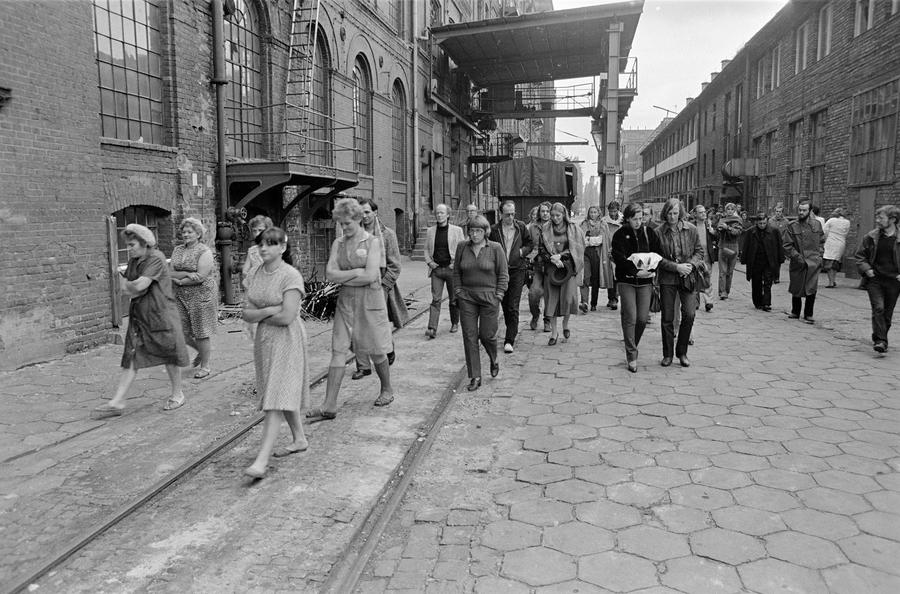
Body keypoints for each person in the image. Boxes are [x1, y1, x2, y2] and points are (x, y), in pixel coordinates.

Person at [307, 198, 395, 421]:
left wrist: (347, 276)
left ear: (358, 219)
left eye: (347, 223)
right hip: (346, 303)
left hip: (370, 301)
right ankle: (329, 405)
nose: (344, 227)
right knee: (338, 351)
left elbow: (371, 275)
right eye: (341, 223)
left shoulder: (373, 242)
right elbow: (330, 274)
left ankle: (387, 389)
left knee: (376, 349)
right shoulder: (338, 243)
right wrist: (356, 273)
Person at [93, 224, 189, 418]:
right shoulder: (134, 260)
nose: (129, 248)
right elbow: (131, 286)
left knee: (169, 355)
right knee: (131, 356)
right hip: (140, 316)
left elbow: (138, 286)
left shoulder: (155, 258)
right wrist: (128, 285)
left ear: (145, 244)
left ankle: (178, 394)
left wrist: (126, 284)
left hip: (161, 316)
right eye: (127, 245)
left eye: (132, 245)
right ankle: (117, 402)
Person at [241, 227, 310, 479]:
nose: (264, 248)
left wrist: (260, 314)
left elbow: (287, 317)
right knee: (279, 390)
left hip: (287, 339)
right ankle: (299, 438)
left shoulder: (290, 276)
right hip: (264, 340)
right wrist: (269, 310)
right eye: (261, 244)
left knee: (275, 398)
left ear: (282, 247)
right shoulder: (255, 273)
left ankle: (261, 461)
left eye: (270, 244)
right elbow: (246, 313)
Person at [352, 197, 407, 379]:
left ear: (375, 212)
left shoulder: (387, 235)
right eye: (361, 213)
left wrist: (383, 286)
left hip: (379, 285)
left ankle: (387, 348)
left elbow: (395, 265)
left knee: (376, 325)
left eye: (367, 212)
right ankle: (363, 366)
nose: (364, 216)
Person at [453, 215, 509, 391]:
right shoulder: (462, 247)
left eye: (478, 231)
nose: (474, 234)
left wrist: (499, 294)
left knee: (487, 335)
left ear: (486, 232)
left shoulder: (495, 248)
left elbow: (503, 274)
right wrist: (458, 291)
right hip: (467, 297)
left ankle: (494, 358)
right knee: (470, 336)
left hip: (489, 297)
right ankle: (475, 376)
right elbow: (456, 272)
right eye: (471, 231)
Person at [611, 202, 664, 373]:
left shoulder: (649, 233)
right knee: (631, 316)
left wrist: (651, 270)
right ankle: (632, 355)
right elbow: (618, 257)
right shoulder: (620, 234)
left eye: (641, 218)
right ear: (627, 218)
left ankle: (632, 343)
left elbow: (658, 254)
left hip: (646, 281)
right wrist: (634, 271)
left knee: (642, 318)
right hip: (626, 280)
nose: (638, 222)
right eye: (635, 219)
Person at [655, 198, 704, 367]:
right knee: (667, 317)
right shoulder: (658, 232)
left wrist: (690, 265)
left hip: (688, 277)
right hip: (668, 278)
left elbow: (699, 251)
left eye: (675, 213)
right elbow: (657, 258)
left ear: (680, 213)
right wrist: (676, 267)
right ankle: (667, 354)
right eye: (669, 213)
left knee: (689, 314)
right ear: (665, 213)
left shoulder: (691, 229)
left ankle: (682, 352)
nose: (672, 217)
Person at [170, 217, 217, 379]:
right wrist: (184, 275)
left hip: (202, 295)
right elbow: (171, 272)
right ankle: (200, 351)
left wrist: (180, 281)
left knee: (201, 331)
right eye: (184, 232)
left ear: (198, 234)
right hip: (180, 296)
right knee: (180, 329)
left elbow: (201, 276)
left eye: (189, 232)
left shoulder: (204, 251)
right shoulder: (177, 250)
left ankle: (205, 366)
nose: (185, 234)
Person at [855, 205, 900, 353]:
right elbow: (860, 256)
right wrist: (867, 269)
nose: (877, 220)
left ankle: (879, 337)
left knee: (887, 313)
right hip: (875, 279)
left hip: (894, 281)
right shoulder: (871, 237)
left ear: (892, 219)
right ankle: (881, 341)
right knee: (878, 308)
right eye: (877, 217)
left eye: (881, 218)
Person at [489, 200, 532, 354]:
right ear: (501, 214)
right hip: (500, 272)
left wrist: (521, 252)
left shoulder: (521, 227)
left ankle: (509, 339)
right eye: (507, 215)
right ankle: (510, 328)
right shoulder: (494, 230)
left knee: (513, 306)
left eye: (513, 214)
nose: (511, 217)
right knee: (505, 304)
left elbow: (529, 244)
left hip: (517, 270)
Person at [539, 202, 585, 345]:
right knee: (551, 301)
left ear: (564, 214)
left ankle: (565, 324)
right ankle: (554, 333)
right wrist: (552, 258)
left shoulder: (573, 229)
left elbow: (577, 249)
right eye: (552, 215)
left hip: (568, 268)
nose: (555, 218)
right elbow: (541, 248)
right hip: (552, 268)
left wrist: (561, 257)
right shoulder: (545, 228)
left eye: (558, 215)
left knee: (568, 299)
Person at [423, 203, 464, 338]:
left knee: (453, 299)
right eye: (437, 213)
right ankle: (432, 328)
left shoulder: (457, 231)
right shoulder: (430, 231)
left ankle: (455, 322)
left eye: (442, 213)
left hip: (451, 270)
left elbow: (462, 249)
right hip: (437, 270)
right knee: (436, 299)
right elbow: (426, 249)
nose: (439, 215)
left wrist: (455, 264)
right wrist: (430, 262)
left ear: (448, 215)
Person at [782, 199, 825, 324]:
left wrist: (820, 255)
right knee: (796, 286)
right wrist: (797, 257)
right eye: (800, 210)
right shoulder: (792, 225)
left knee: (811, 287)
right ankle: (795, 311)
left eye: (804, 210)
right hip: (798, 261)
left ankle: (808, 314)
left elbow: (822, 240)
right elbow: (787, 245)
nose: (801, 212)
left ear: (810, 211)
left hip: (813, 261)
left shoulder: (817, 225)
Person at [740, 211, 783, 311]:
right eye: (760, 223)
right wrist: (744, 259)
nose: (762, 225)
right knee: (756, 282)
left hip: (769, 260)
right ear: (757, 222)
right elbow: (746, 246)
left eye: (764, 223)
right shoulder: (751, 232)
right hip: (756, 260)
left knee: (768, 282)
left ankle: (766, 303)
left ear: (767, 221)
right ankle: (758, 302)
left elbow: (779, 246)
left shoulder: (774, 231)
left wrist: (780, 258)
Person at [579, 206, 613, 313]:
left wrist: (590, 240)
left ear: (599, 213)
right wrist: (593, 240)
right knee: (585, 277)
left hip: (598, 254)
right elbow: (581, 240)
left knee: (595, 279)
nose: (593, 214)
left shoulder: (603, 224)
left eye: (595, 212)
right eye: (591, 212)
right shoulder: (584, 224)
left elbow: (603, 240)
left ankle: (594, 303)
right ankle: (584, 302)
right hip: (586, 254)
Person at [527, 201, 553, 332]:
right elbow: (527, 245)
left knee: (550, 294)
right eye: (543, 211)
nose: (545, 214)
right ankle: (535, 315)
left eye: (548, 211)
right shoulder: (532, 227)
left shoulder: (555, 226)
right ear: (539, 213)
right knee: (533, 293)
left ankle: (547, 320)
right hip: (537, 265)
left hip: (551, 266)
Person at [692, 205, 718, 312]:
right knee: (695, 278)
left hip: (707, 255)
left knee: (707, 278)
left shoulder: (709, 225)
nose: (703, 214)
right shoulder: (691, 226)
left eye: (704, 212)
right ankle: (695, 302)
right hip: (695, 256)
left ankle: (708, 302)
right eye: (701, 212)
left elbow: (718, 237)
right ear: (695, 214)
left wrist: (713, 232)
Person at [716, 203, 743, 300]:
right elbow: (718, 231)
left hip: (733, 246)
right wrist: (719, 228)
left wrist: (727, 228)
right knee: (722, 271)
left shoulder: (738, 220)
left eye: (732, 209)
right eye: (728, 209)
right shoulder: (722, 219)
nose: (730, 211)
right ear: (725, 210)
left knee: (730, 271)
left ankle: (727, 290)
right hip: (723, 245)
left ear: (734, 210)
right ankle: (722, 292)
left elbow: (737, 232)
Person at [600, 200, 624, 309]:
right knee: (609, 274)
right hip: (607, 249)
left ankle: (615, 298)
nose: (612, 213)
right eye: (610, 211)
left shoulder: (623, 220)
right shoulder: (604, 221)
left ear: (618, 210)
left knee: (618, 275)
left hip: (620, 249)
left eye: (614, 211)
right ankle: (611, 298)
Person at [241, 214, 274, 289]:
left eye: (260, 230)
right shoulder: (252, 250)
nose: (257, 234)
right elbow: (244, 271)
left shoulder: (274, 248)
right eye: (254, 231)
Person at [823, 208, 851, 288]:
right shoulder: (847, 222)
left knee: (829, 262)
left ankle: (831, 282)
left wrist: (825, 239)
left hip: (831, 242)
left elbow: (824, 230)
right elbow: (846, 233)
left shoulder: (831, 220)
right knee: (835, 262)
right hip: (841, 243)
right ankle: (833, 280)